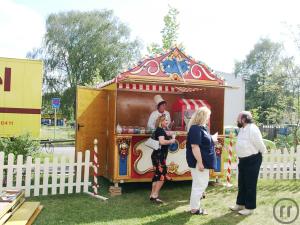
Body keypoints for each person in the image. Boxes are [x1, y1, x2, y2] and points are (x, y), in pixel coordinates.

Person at [229, 111, 266, 215]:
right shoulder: (242, 129)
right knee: (242, 183)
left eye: (238, 118)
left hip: (252, 159)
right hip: (243, 160)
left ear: (244, 119)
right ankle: (240, 204)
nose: (237, 120)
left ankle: (249, 208)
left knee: (250, 184)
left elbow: (259, 143)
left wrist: (262, 153)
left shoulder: (253, 129)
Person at [186, 107, 217, 215]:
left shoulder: (201, 128)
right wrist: (200, 162)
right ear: (203, 116)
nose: (209, 118)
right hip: (199, 162)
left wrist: (212, 140)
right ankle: (195, 209)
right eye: (208, 116)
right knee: (200, 185)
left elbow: (203, 142)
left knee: (198, 184)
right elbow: (195, 146)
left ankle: (194, 207)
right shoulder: (195, 129)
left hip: (202, 161)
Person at [149, 115, 176, 203]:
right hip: (159, 157)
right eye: (165, 121)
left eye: (167, 120)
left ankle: (152, 195)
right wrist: (171, 141)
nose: (167, 122)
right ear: (161, 122)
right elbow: (162, 142)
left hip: (157, 156)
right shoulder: (160, 130)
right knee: (161, 176)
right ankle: (155, 195)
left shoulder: (160, 130)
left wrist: (172, 134)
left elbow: (168, 133)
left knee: (157, 175)